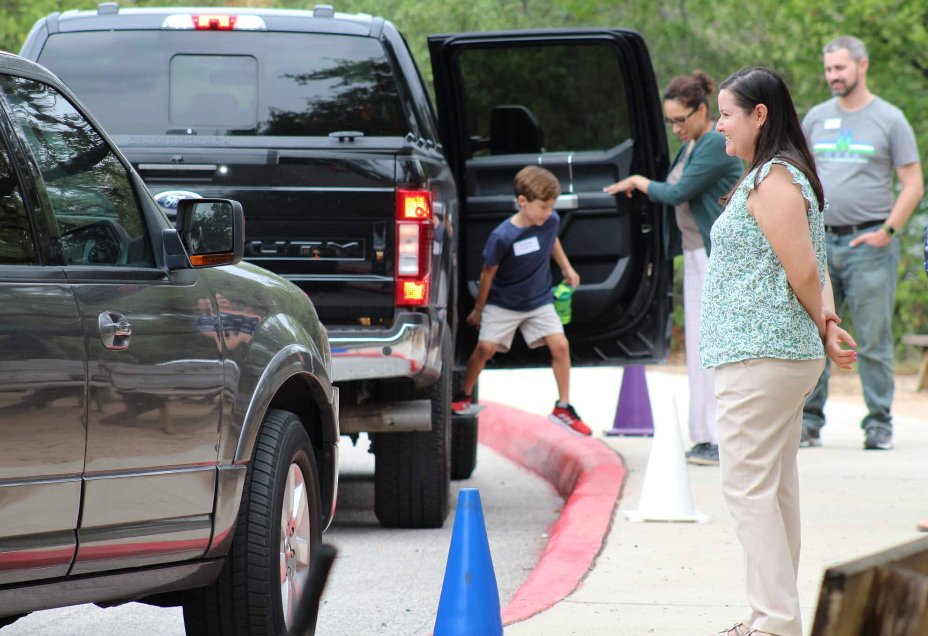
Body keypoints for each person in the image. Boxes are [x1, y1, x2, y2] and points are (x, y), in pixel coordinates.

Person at [700, 67, 856, 636]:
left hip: (761, 353)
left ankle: (773, 622)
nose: (719, 124)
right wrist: (828, 322)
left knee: (745, 486)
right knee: (772, 487)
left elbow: (806, 269)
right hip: (772, 354)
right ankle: (774, 616)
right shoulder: (778, 175)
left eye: (726, 114)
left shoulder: (771, 179)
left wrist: (825, 323)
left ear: (759, 115)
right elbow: (811, 264)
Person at [604, 71, 742, 466]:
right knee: (700, 348)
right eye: (671, 122)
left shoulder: (714, 143)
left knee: (713, 347)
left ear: (701, 110)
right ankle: (703, 436)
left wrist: (638, 181)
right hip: (697, 256)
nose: (676, 128)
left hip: (715, 256)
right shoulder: (693, 145)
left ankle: (717, 437)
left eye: (681, 120)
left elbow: (678, 192)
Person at [801, 36, 924, 451]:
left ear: (862, 66)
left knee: (872, 339)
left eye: (840, 68)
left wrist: (887, 232)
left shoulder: (890, 119)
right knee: (815, 333)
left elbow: (913, 184)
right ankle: (809, 421)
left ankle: (878, 423)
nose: (833, 76)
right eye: (828, 69)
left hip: (869, 245)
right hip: (819, 242)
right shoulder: (815, 118)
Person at [450, 166, 591, 435]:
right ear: (523, 202)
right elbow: (487, 273)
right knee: (485, 349)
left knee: (560, 345)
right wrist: (479, 309)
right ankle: (463, 395)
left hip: (539, 301)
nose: (549, 213)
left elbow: (552, 241)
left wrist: (567, 268)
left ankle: (563, 407)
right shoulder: (502, 236)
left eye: (551, 207)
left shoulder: (549, 221)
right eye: (543, 207)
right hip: (503, 303)